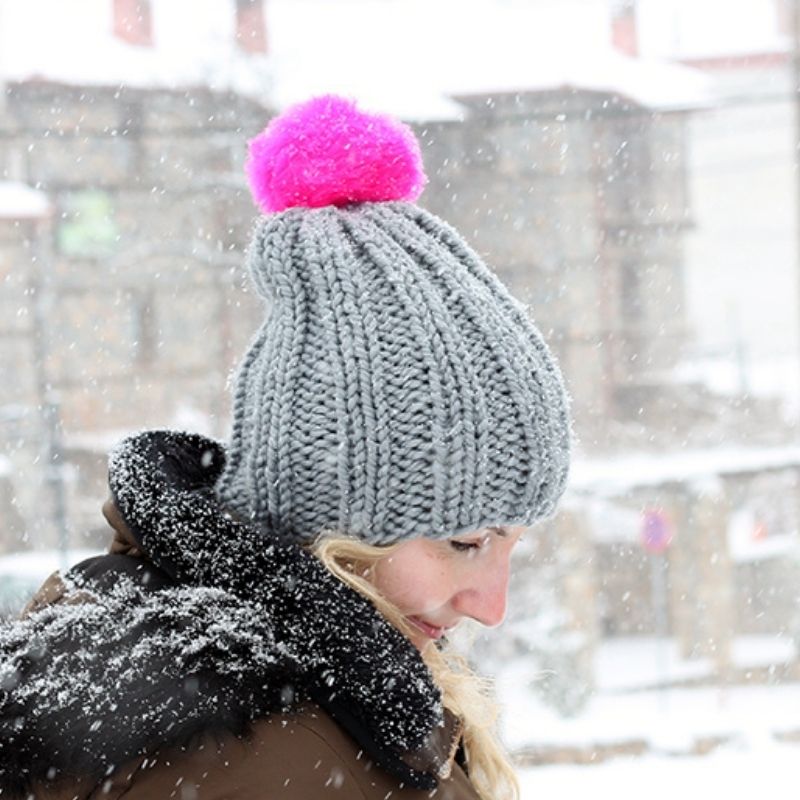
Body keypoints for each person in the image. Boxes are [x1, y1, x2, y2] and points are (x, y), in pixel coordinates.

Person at [0, 95, 571, 800]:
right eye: (465, 541)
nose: (493, 605)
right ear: (331, 513)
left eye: (511, 543)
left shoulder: (323, 697)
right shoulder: (261, 750)